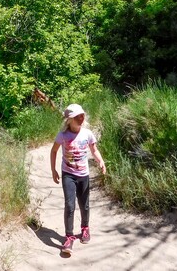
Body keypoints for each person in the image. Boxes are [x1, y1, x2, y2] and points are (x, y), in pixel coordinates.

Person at [50, 103, 106, 256]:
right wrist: (53, 170)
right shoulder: (63, 135)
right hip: (68, 174)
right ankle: (69, 237)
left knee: (84, 204)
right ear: (69, 120)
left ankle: (85, 228)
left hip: (83, 175)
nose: (81, 118)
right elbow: (54, 151)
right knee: (69, 205)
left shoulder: (87, 134)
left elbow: (94, 150)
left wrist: (100, 161)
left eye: (82, 115)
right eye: (77, 117)